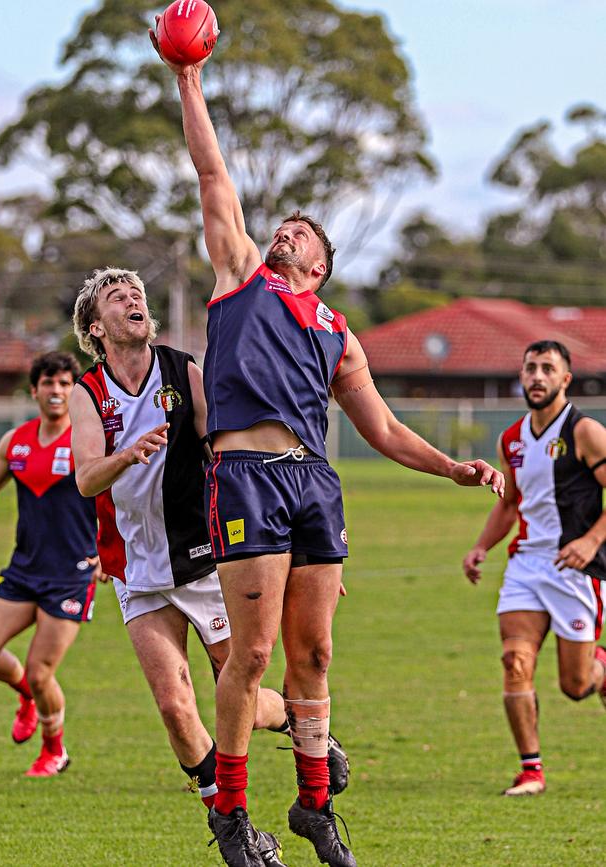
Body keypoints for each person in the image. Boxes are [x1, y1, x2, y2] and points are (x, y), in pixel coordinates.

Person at [149, 28, 505, 867]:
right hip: (244, 476)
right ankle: (232, 819)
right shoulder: (239, 273)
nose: (285, 231)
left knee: (314, 653)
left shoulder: (340, 333)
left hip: (315, 483)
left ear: (322, 261)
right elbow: (212, 176)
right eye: (282, 225)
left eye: (300, 230)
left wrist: (452, 465)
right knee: (256, 652)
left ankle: (314, 809)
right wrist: (190, 81)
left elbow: (380, 429)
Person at [71, 266, 323, 866]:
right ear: (95, 326)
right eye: (116, 296)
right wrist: (127, 455)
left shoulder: (182, 368)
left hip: (206, 560)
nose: (133, 298)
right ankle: (232, 825)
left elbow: (222, 443)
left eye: (135, 292)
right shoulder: (90, 392)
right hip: (135, 568)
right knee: (173, 705)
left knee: (240, 689)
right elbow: (85, 478)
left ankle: (300, 721)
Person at [463, 340, 606, 796]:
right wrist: (481, 547)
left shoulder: (585, 432)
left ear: (566, 379)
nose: (538, 376)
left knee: (575, 685)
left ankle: (601, 668)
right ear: (521, 376)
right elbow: (509, 504)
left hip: (575, 569)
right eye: (530, 368)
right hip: (525, 565)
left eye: (548, 369)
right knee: (514, 660)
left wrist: (590, 540)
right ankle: (531, 770)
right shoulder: (512, 438)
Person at [0, 351, 99, 777]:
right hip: (24, 569)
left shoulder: (87, 442)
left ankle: (55, 750)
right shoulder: (14, 441)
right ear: (34, 390)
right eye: (48, 383)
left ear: (75, 391)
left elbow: (119, 499)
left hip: (72, 574)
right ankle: (26, 697)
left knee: (41, 672)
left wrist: (111, 553)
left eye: (64, 383)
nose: (56, 391)